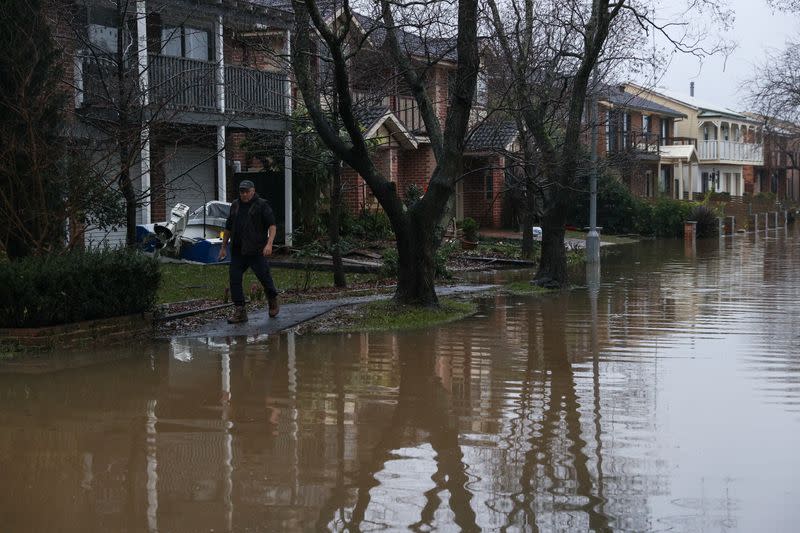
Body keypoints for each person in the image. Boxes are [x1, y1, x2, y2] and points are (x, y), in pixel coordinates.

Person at [218, 180, 279, 323]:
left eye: (247, 191)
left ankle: (272, 300)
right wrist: (223, 247)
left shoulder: (262, 205)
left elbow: (272, 226)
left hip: (256, 250)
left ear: (253, 191)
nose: (244, 194)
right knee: (234, 278)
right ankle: (240, 310)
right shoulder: (235, 205)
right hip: (238, 250)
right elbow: (228, 227)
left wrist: (269, 244)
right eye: (242, 192)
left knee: (264, 276)